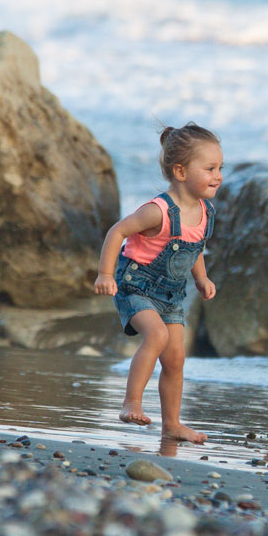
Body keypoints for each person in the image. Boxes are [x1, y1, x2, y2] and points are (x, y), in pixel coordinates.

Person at [94, 124, 222, 444]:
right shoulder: (158, 211)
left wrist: (201, 277)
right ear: (180, 171)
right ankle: (131, 402)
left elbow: (194, 248)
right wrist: (105, 274)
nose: (218, 175)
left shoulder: (206, 211)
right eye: (209, 169)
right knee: (157, 335)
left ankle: (172, 424)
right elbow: (117, 232)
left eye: (220, 168)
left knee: (176, 357)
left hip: (171, 295)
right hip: (135, 285)